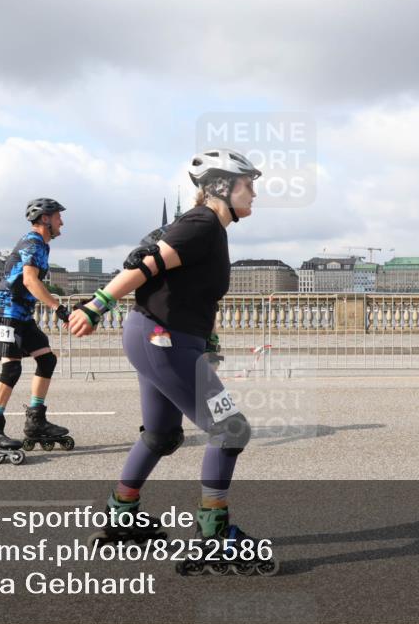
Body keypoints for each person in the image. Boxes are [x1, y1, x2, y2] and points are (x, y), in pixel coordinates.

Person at [69, 149, 277, 575]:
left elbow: (195, 291)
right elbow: (147, 266)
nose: (254, 193)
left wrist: (208, 340)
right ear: (222, 187)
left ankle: (121, 514)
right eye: (248, 184)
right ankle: (214, 535)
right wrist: (96, 305)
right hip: (162, 338)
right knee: (231, 430)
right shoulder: (202, 224)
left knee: (162, 435)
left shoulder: (212, 231)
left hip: (163, 337)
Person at [0, 198, 74, 465]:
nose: (62, 221)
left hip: (22, 315)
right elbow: (29, 279)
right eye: (58, 217)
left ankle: (36, 420)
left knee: (47, 359)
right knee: (11, 369)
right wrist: (58, 308)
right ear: (45, 219)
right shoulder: (33, 242)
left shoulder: (41, 245)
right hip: (6, 313)